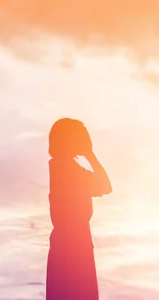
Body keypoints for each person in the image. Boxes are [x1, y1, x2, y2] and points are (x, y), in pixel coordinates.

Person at [45, 118, 112, 300]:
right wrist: (90, 155)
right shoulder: (69, 170)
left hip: (68, 242)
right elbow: (105, 186)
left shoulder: (63, 168)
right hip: (74, 244)